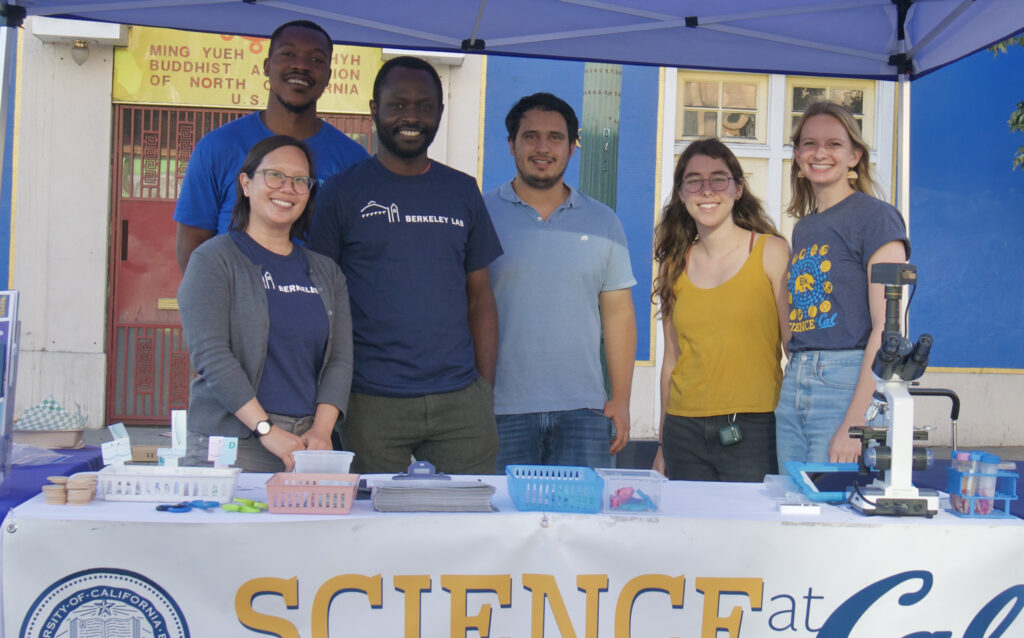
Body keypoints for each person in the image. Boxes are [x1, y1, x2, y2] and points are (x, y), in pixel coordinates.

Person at [309, 56, 502, 475]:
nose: (411, 116)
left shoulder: (462, 191)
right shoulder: (342, 193)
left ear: (440, 113)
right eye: (397, 105)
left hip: (460, 401)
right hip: (370, 399)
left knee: (466, 524)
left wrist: (483, 388)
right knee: (375, 527)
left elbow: (481, 299)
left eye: (424, 106)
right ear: (374, 110)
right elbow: (319, 303)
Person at [178, 135, 353, 472]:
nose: (287, 188)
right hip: (234, 444)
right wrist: (265, 429)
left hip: (306, 446)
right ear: (246, 183)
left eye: (300, 181)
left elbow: (340, 360)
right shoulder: (214, 260)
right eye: (274, 176)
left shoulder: (326, 272)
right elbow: (213, 357)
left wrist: (321, 431)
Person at [484, 93, 637, 471]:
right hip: (499, 412)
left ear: (572, 148)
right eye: (530, 136)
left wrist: (620, 399)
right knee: (501, 527)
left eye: (555, 138)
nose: (542, 147)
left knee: (584, 527)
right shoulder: (480, 215)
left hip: (584, 412)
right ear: (511, 144)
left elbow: (618, 315)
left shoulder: (604, 222)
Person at [775, 101, 910, 468]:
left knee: (833, 511)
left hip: (847, 383)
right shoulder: (805, 227)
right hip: (797, 382)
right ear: (798, 156)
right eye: (809, 143)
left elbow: (889, 328)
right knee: (793, 505)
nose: (820, 153)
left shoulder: (876, 218)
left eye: (834, 144)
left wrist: (856, 420)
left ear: (854, 156)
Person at [173, 20, 368, 273]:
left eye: (316, 60)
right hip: (236, 309)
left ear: (329, 76)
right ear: (267, 66)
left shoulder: (352, 159)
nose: (301, 65)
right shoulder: (217, 147)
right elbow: (192, 248)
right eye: (288, 54)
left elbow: (360, 253)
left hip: (320, 310)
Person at [650, 138, 790, 482]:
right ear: (681, 194)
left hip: (754, 428)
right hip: (683, 432)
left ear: (738, 189)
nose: (706, 190)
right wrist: (663, 442)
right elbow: (672, 360)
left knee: (749, 534)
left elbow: (794, 347)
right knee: (690, 535)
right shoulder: (673, 265)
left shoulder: (771, 251)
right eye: (694, 180)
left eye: (719, 179)